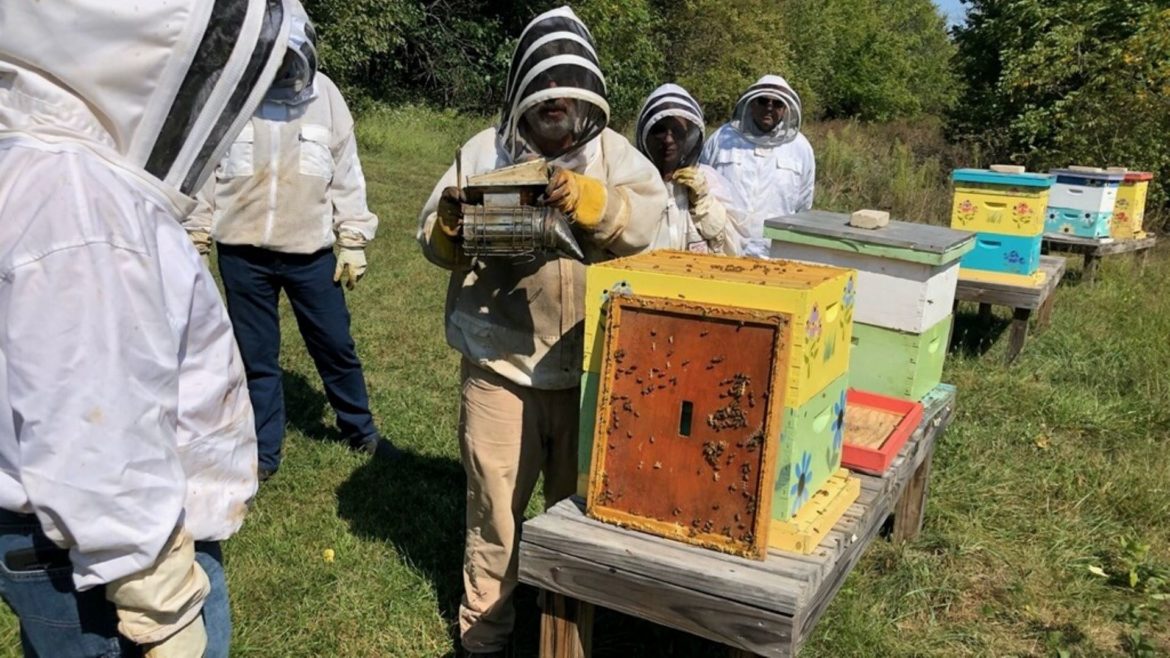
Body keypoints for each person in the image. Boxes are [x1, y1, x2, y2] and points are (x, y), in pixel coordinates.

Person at [0, 1, 296, 656]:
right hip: (111, 560)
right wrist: (161, 603)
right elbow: (94, 422)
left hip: (75, 543)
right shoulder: (76, 196)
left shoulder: (40, 166)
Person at [417, 6, 667, 655]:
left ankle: (566, 635)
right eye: (544, 91)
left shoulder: (621, 159)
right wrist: (450, 222)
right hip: (499, 366)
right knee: (494, 510)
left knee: (577, 517)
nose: (555, 103)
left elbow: (650, 230)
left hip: (593, 370)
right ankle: (484, 632)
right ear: (523, 89)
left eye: (567, 91)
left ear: (588, 90)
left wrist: (591, 200)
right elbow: (431, 240)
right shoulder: (481, 151)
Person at [186, 11, 399, 482]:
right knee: (256, 357)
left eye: (287, 58)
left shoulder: (327, 98)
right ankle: (263, 453)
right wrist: (196, 236)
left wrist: (353, 239)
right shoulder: (233, 97)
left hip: (311, 253)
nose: (281, 68)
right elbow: (204, 174)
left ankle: (360, 431)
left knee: (335, 345)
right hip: (243, 255)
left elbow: (346, 174)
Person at [701, 75, 815, 258]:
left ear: (785, 109)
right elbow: (702, 189)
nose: (769, 107)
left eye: (777, 103)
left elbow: (803, 203)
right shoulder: (722, 139)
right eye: (763, 101)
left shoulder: (800, 148)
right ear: (752, 103)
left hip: (775, 252)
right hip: (724, 247)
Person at [636, 84, 747, 254]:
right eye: (660, 130)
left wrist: (704, 203)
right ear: (646, 133)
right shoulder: (631, 178)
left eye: (677, 131)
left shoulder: (708, 180)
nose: (668, 140)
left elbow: (731, 249)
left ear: (689, 137)